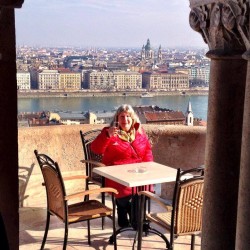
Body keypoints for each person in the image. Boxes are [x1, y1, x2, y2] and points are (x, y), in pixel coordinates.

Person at [91, 104, 153, 228]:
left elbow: (147, 151)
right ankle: (129, 212)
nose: (125, 120)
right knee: (126, 193)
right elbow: (95, 149)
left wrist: (149, 168)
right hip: (116, 173)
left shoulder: (140, 132)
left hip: (137, 172)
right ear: (117, 119)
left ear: (133, 118)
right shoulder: (109, 132)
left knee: (146, 190)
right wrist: (107, 136)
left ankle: (135, 216)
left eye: (128, 116)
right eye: (122, 117)